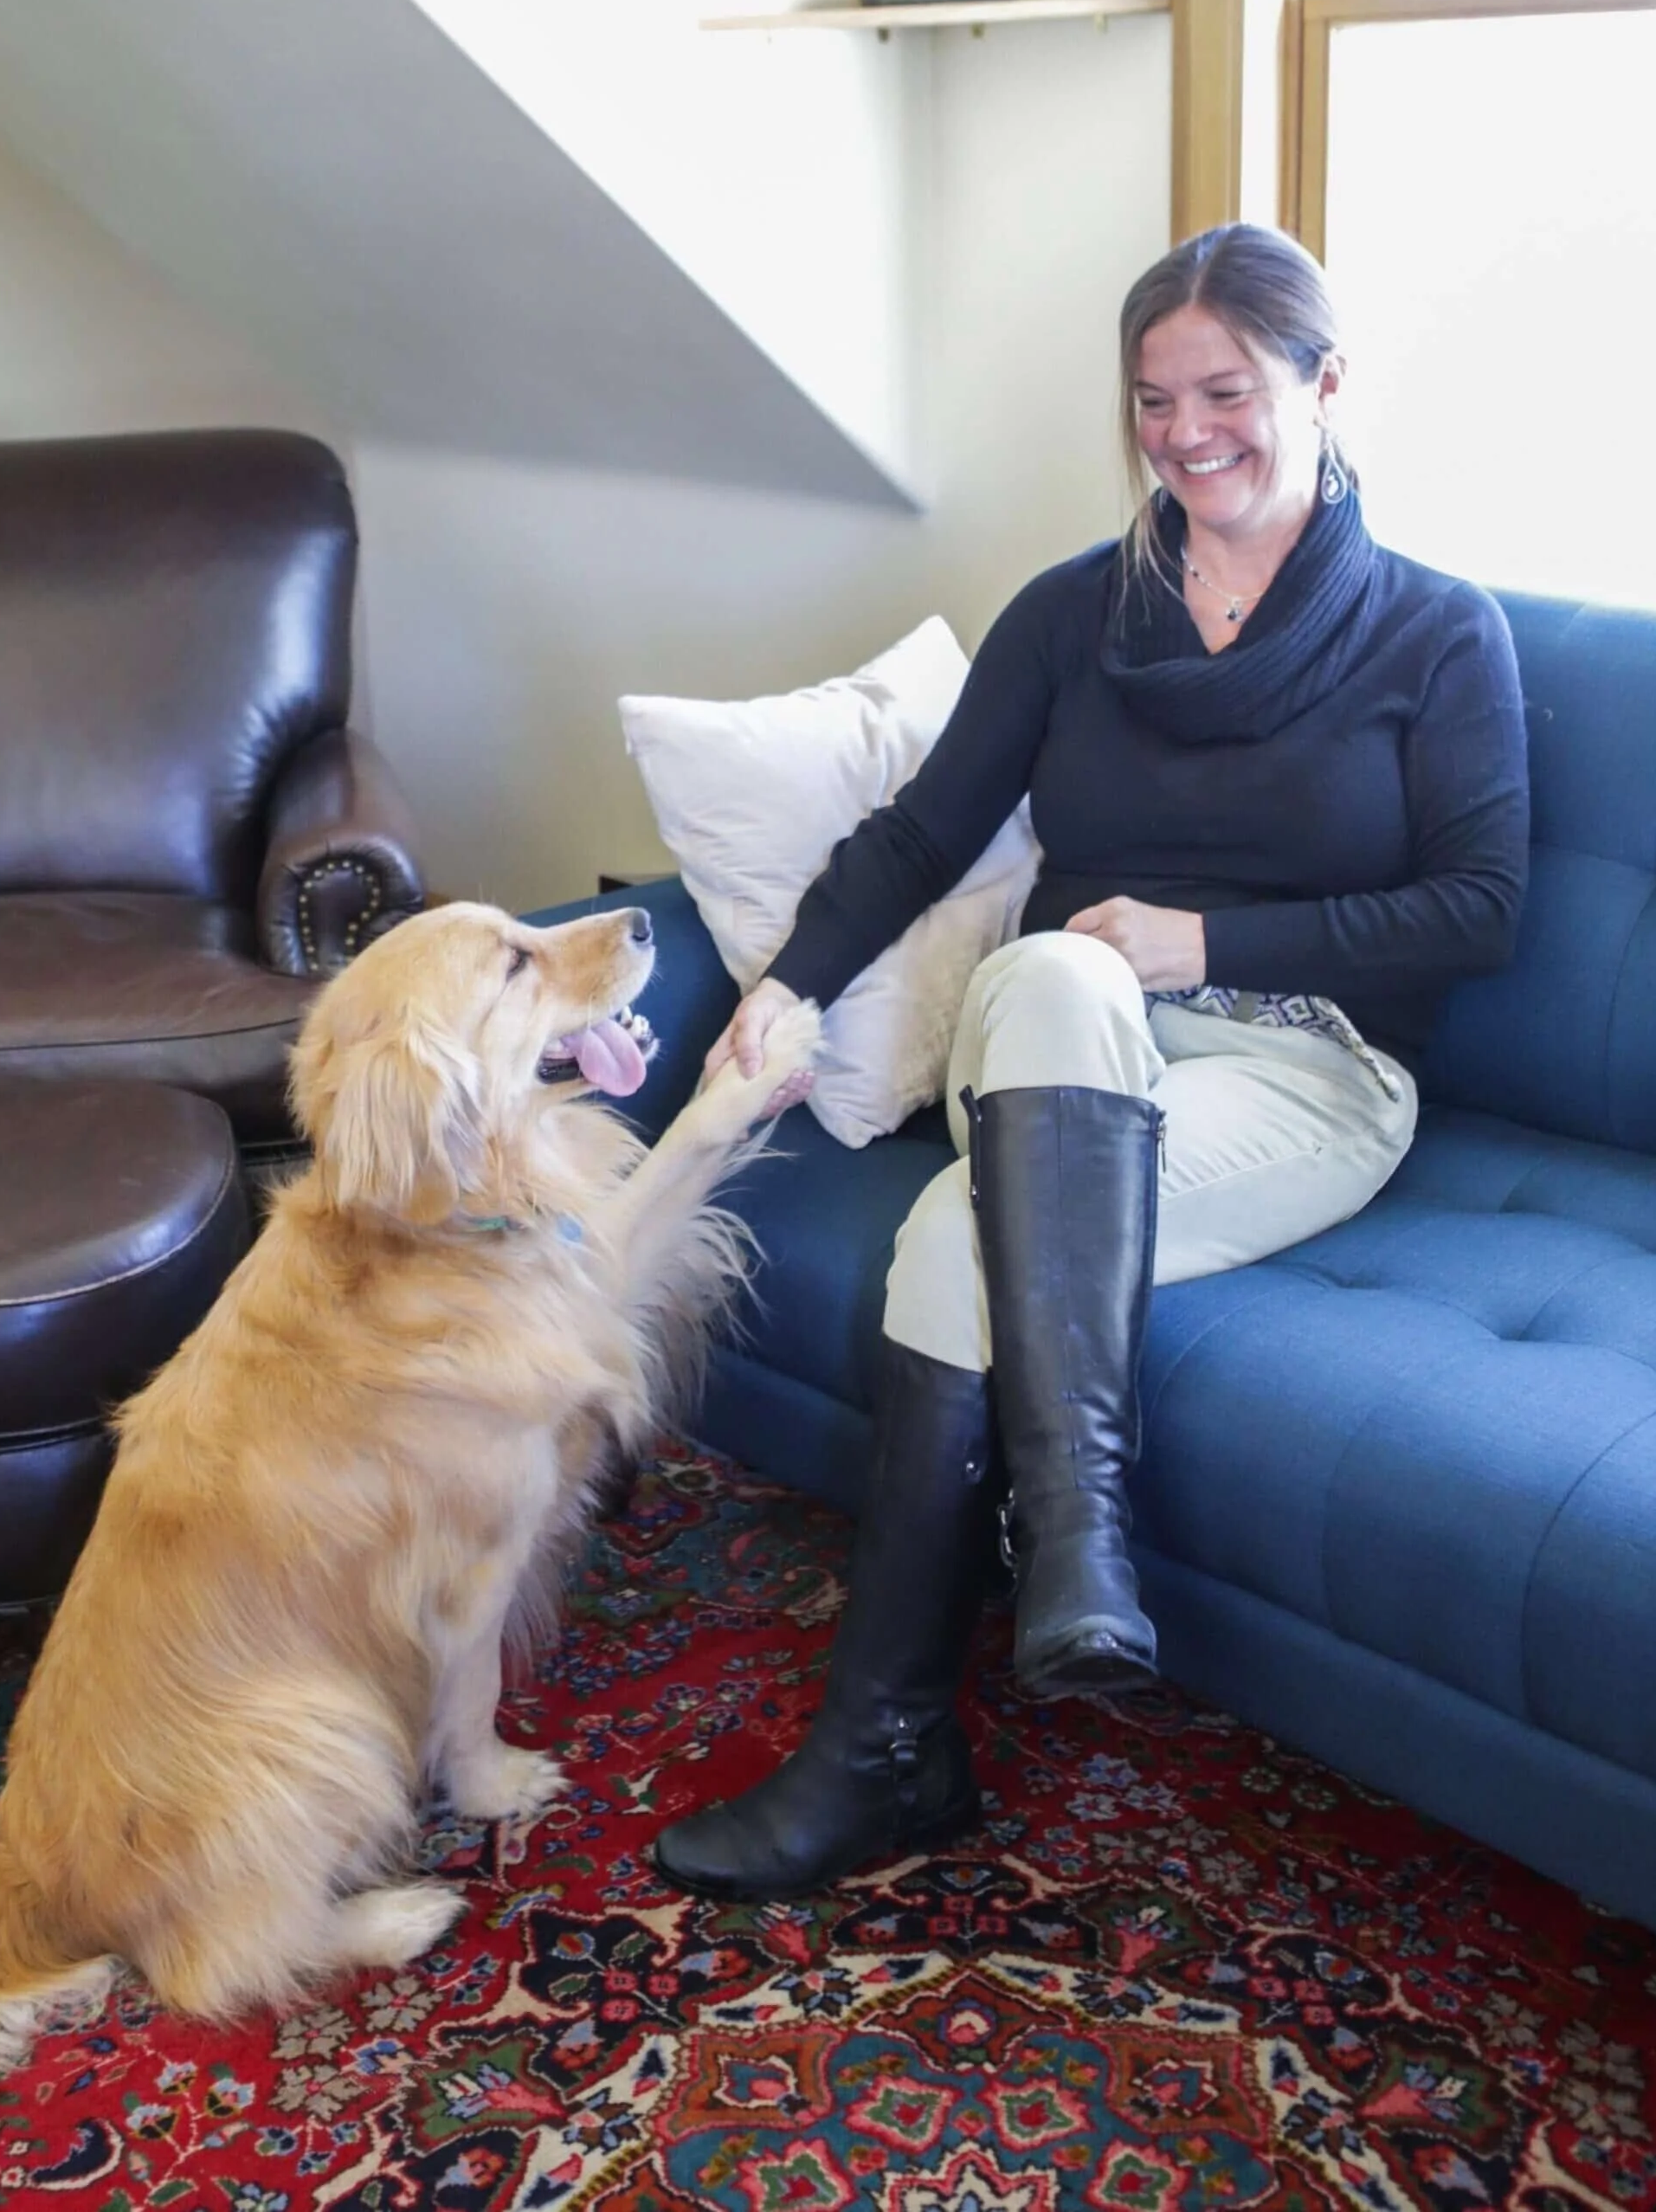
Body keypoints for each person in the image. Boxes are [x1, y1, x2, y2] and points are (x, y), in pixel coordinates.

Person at [650, 222, 1530, 1900]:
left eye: (1227, 392)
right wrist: (793, 991)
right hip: (1063, 1039)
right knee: (1053, 964)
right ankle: (1079, 1541)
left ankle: (888, 1745)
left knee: (941, 1240)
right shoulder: (1072, 616)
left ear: (1324, 386)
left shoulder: (1438, 635)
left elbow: (1478, 911)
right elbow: (921, 839)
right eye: (1152, 402)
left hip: (1306, 1071)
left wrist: (1208, 944)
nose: (1188, 435)